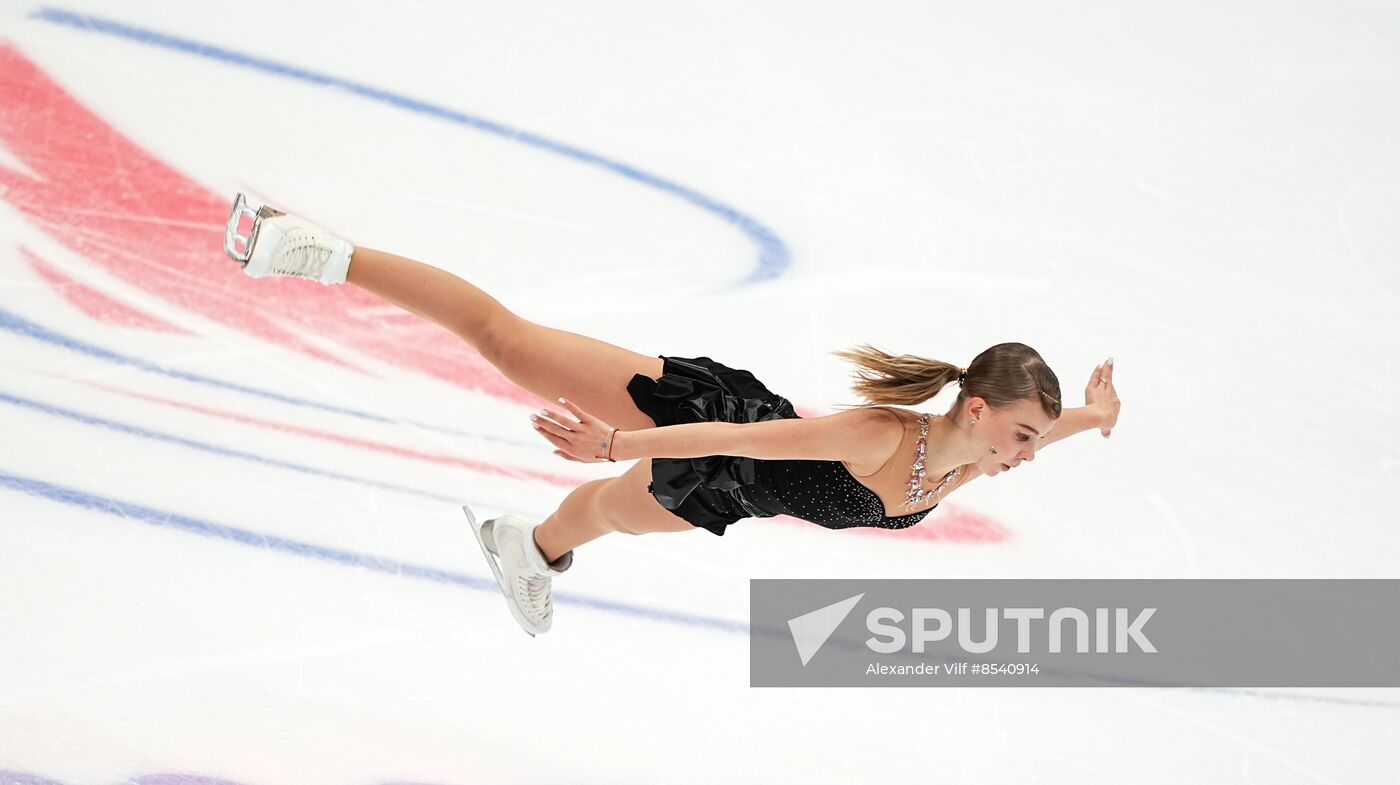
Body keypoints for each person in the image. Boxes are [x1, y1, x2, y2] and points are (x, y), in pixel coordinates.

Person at [222, 193, 1122, 636]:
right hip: (717, 421)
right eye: (1023, 436)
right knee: (511, 343)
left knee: (603, 518)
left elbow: (1060, 427)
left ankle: (519, 544)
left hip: (735, 493)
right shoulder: (880, 435)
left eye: (1033, 440)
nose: (1027, 455)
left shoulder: (974, 455)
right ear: (974, 407)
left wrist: (1092, 413)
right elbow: (741, 435)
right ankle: (316, 248)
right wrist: (618, 439)